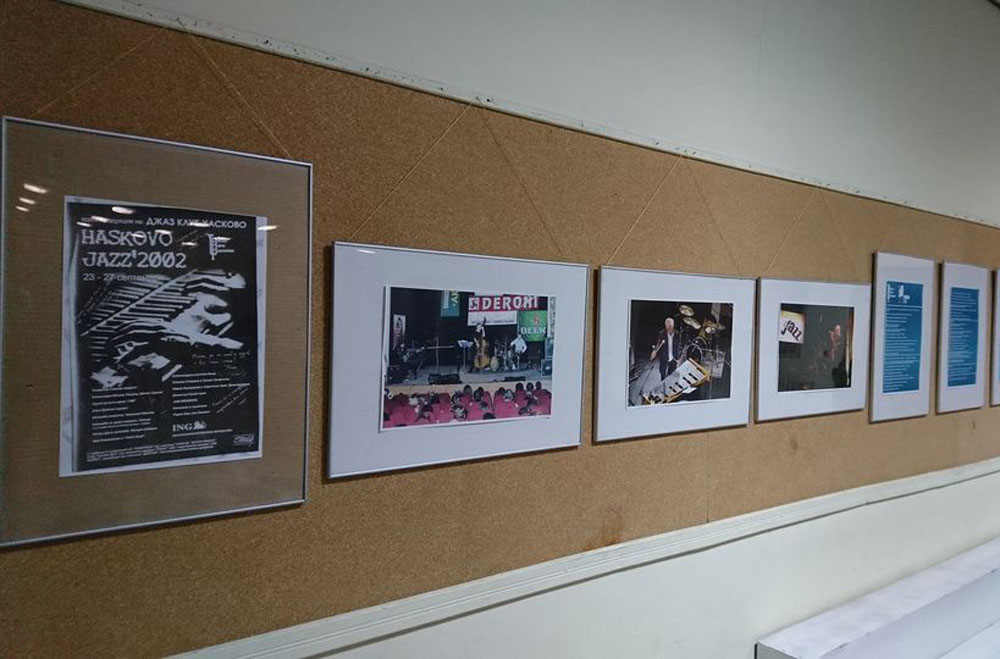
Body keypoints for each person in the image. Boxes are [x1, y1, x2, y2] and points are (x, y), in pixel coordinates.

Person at [651, 317, 681, 381]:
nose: (669, 328)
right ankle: (663, 382)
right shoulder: (662, 333)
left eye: (670, 326)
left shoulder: (677, 334)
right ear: (665, 326)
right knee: (662, 373)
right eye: (667, 326)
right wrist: (654, 351)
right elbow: (658, 343)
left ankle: (669, 384)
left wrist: (679, 357)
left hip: (673, 357)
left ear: (673, 325)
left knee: (671, 374)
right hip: (664, 356)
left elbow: (679, 345)